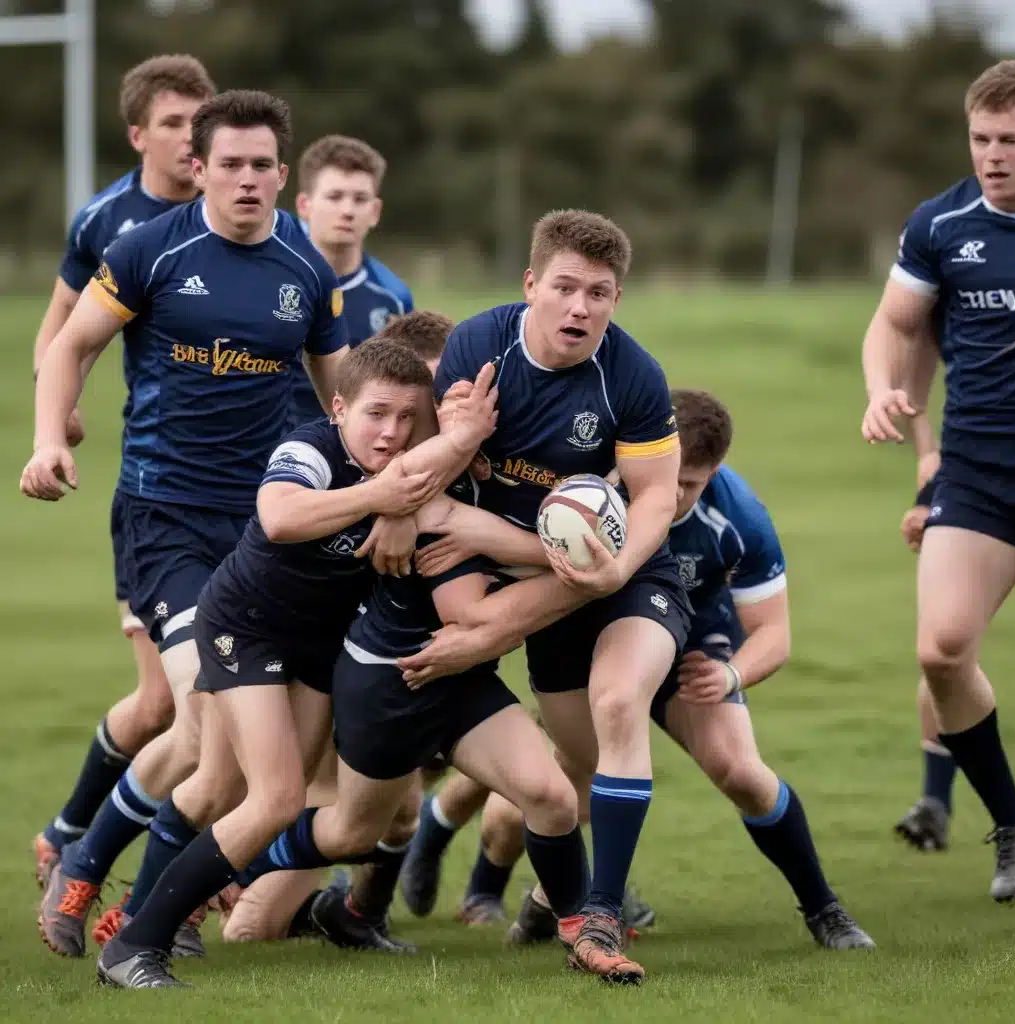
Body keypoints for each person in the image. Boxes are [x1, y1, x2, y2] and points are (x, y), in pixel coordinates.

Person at [96, 357, 614, 989]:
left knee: (295, 808)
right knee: (272, 797)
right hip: (246, 626)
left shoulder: (427, 473)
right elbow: (280, 517)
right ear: (338, 408)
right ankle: (137, 940)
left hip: (320, 646)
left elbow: (450, 499)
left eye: (407, 418)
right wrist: (385, 497)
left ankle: (581, 931)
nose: (392, 432)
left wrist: (571, 547)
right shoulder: (311, 447)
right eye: (376, 413)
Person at [23, 89, 350, 957]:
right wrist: (49, 438)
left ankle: (122, 883)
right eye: (231, 164)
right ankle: (100, 878)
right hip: (163, 515)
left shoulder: (306, 269)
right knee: (205, 723)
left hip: (261, 529)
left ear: (285, 173)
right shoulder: (147, 249)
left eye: (263, 166)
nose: (248, 181)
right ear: (199, 168)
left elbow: (343, 397)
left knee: (228, 754)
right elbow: (69, 346)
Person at [401, 389, 876, 951]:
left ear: (716, 472)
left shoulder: (738, 515)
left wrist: (729, 676)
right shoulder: (594, 483)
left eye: (691, 485)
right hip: (586, 636)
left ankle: (825, 910)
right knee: (536, 805)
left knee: (740, 771)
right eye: (670, 475)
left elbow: (775, 633)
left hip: (692, 652)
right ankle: (466, 857)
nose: (673, 496)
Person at [414, 208, 690, 982]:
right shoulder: (478, 343)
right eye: (565, 287)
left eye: (599, 293)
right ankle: (531, 888)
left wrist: (614, 570)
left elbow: (657, 498)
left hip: (628, 573)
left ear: (616, 299)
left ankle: (598, 913)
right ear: (531, 284)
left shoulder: (631, 376)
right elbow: (441, 465)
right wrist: (461, 444)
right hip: (536, 569)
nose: (580, 308)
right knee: (578, 757)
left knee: (615, 704)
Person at [208, 311, 456, 947]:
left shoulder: (443, 464)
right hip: (289, 643)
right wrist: (389, 503)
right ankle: (186, 896)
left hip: (355, 656)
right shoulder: (328, 453)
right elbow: (281, 520)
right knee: (254, 799)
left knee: (396, 811)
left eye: (423, 411)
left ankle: (355, 914)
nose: (408, 432)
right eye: (389, 412)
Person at [31, 54, 216, 891]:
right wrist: (58, 414)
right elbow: (61, 332)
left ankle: (87, 842)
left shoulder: (248, 215)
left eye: (199, 121)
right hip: (162, 487)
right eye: (174, 122)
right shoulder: (110, 221)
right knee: (171, 706)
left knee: (194, 704)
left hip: (250, 488)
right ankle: (85, 848)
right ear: (139, 133)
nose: (190, 138)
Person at [860, 59, 1015, 900]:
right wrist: (884, 388)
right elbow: (892, 325)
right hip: (982, 476)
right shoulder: (943, 223)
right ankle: (1013, 826)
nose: (994, 156)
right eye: (983, 139)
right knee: (942, 650)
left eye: (1013, 142)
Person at [289, 135, 414, 427]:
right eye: (334, 197)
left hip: (349, 453)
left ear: (375, 212)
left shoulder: (393, 297)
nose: (347, 210)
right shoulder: (275, 278)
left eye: (359, 199)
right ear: (304, 205)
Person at [891, 338, 961, 851]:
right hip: (980, 482)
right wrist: (928, 485)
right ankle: (936, 800)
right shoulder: (963, 268)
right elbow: (915, 353)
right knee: (944, 648)